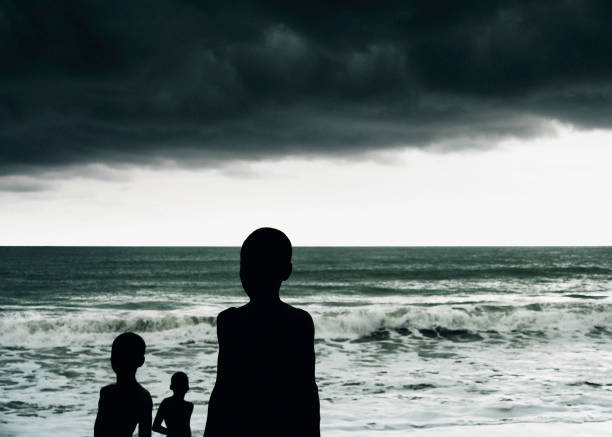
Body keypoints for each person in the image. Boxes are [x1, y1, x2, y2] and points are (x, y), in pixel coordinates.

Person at [204, 227, 320, 437]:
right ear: (287, 271)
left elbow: (223, 391)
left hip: (240, 426)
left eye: (247, 266)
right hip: (285, 426)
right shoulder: (300, 321)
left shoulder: (230, 320)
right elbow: (308, 393)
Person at [94, 332, 152, 437]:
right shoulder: (143, 397)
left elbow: (98, 433)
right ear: (141, 361)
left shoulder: (107, 393)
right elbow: (145, 434)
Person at [153, 371, 194, 436]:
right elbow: (186, 430)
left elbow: (155, 426)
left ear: (171, 387)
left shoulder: (166, 403)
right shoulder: (189, 406)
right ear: (187, 388)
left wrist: (171, 433)